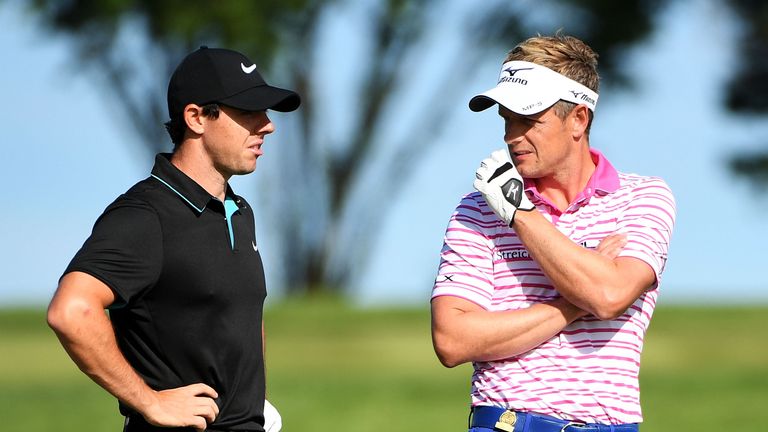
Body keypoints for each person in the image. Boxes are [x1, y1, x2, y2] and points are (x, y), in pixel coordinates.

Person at [430, 34, 676, 432]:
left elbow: (610, 296)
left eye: (529, 120)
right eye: (507, 120)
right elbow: (453, 340)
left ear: (579, 119)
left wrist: (521, 216)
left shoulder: (642, 197)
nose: (512, 136)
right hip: (505, 424)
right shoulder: (477, 209)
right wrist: (575, 301)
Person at [47, 46, 300, 432]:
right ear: (196, 118)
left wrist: (254, 401)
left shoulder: (239, 212)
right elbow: (72, 311)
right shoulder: (146, 214)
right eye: (249, 112)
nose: (267, 125)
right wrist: (149, 402)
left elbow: (242, 318)